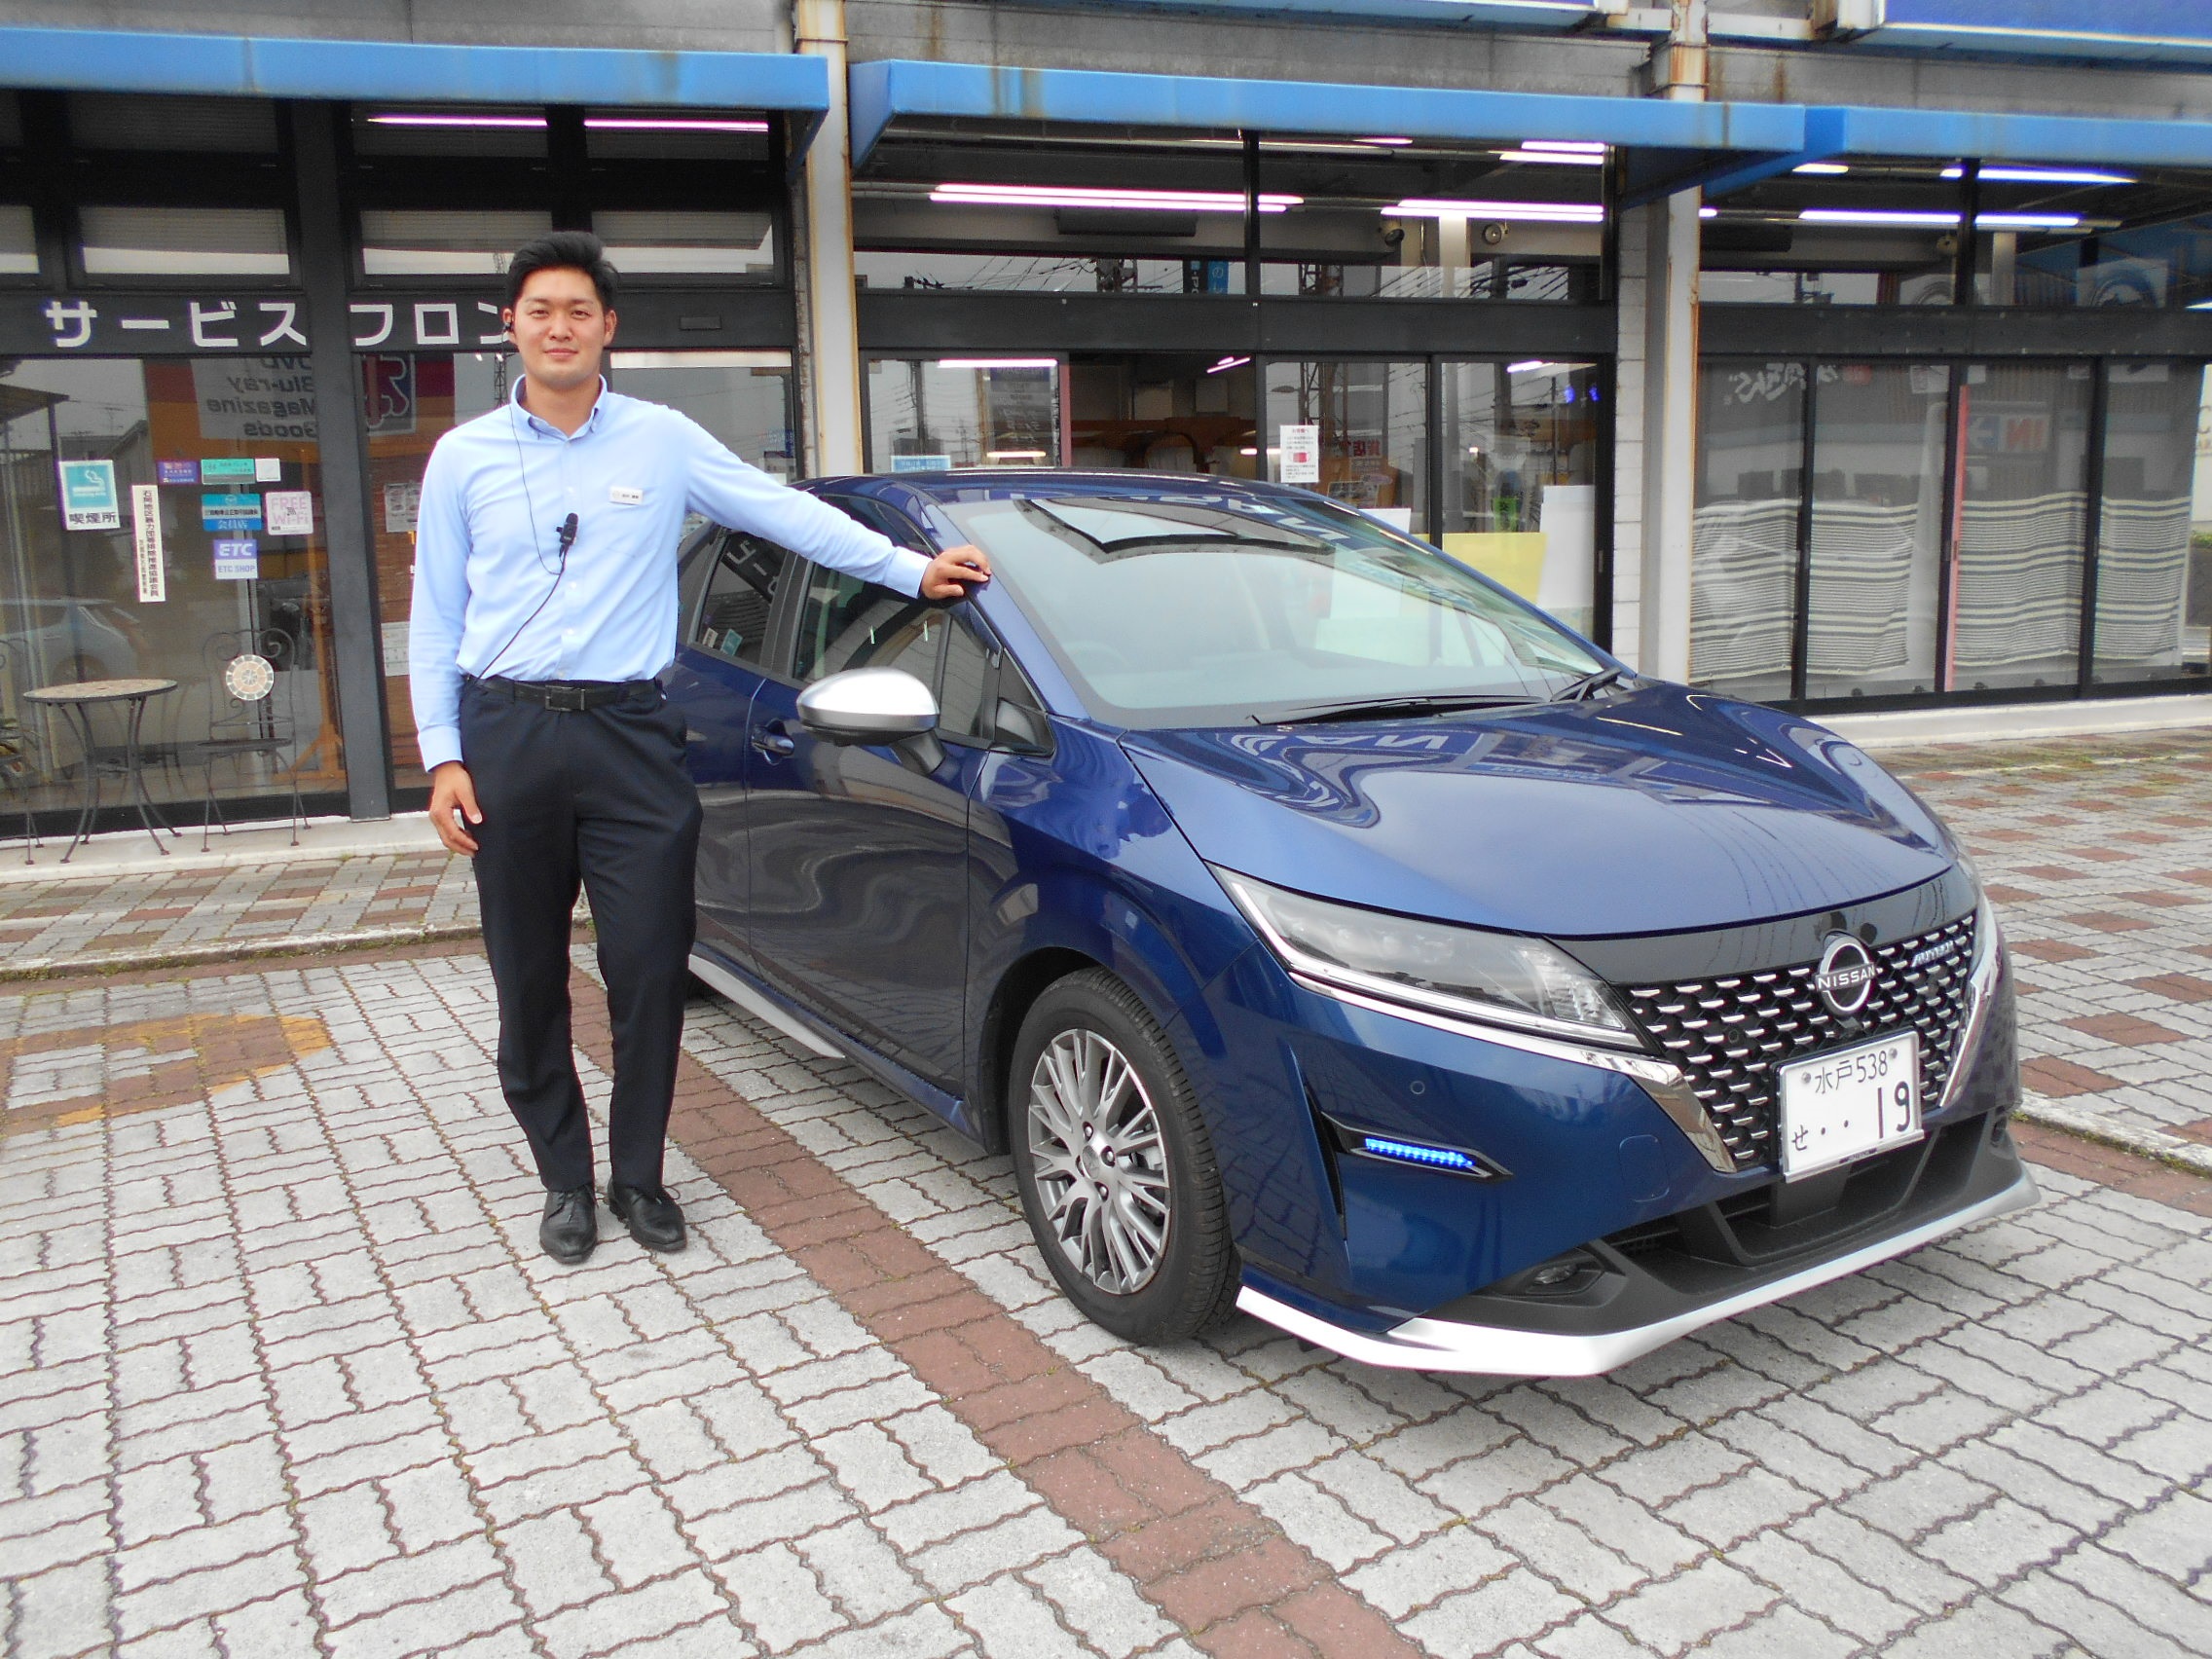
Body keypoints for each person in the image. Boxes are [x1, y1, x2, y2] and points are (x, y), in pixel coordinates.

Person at [410, 231, 990, 1264]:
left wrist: (910, 571)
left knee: (645, 967)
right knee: (529, 974)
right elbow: (432, 617)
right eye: (540, 310)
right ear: (512, 325)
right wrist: (444, 754)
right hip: (508, 736)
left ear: (607, 330)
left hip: (632, 738)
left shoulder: (662, 441)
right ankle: (563, 1181)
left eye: (579, 312)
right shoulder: (463, 459)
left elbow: (782, 515)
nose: (559, 327)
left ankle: (637, 1177)